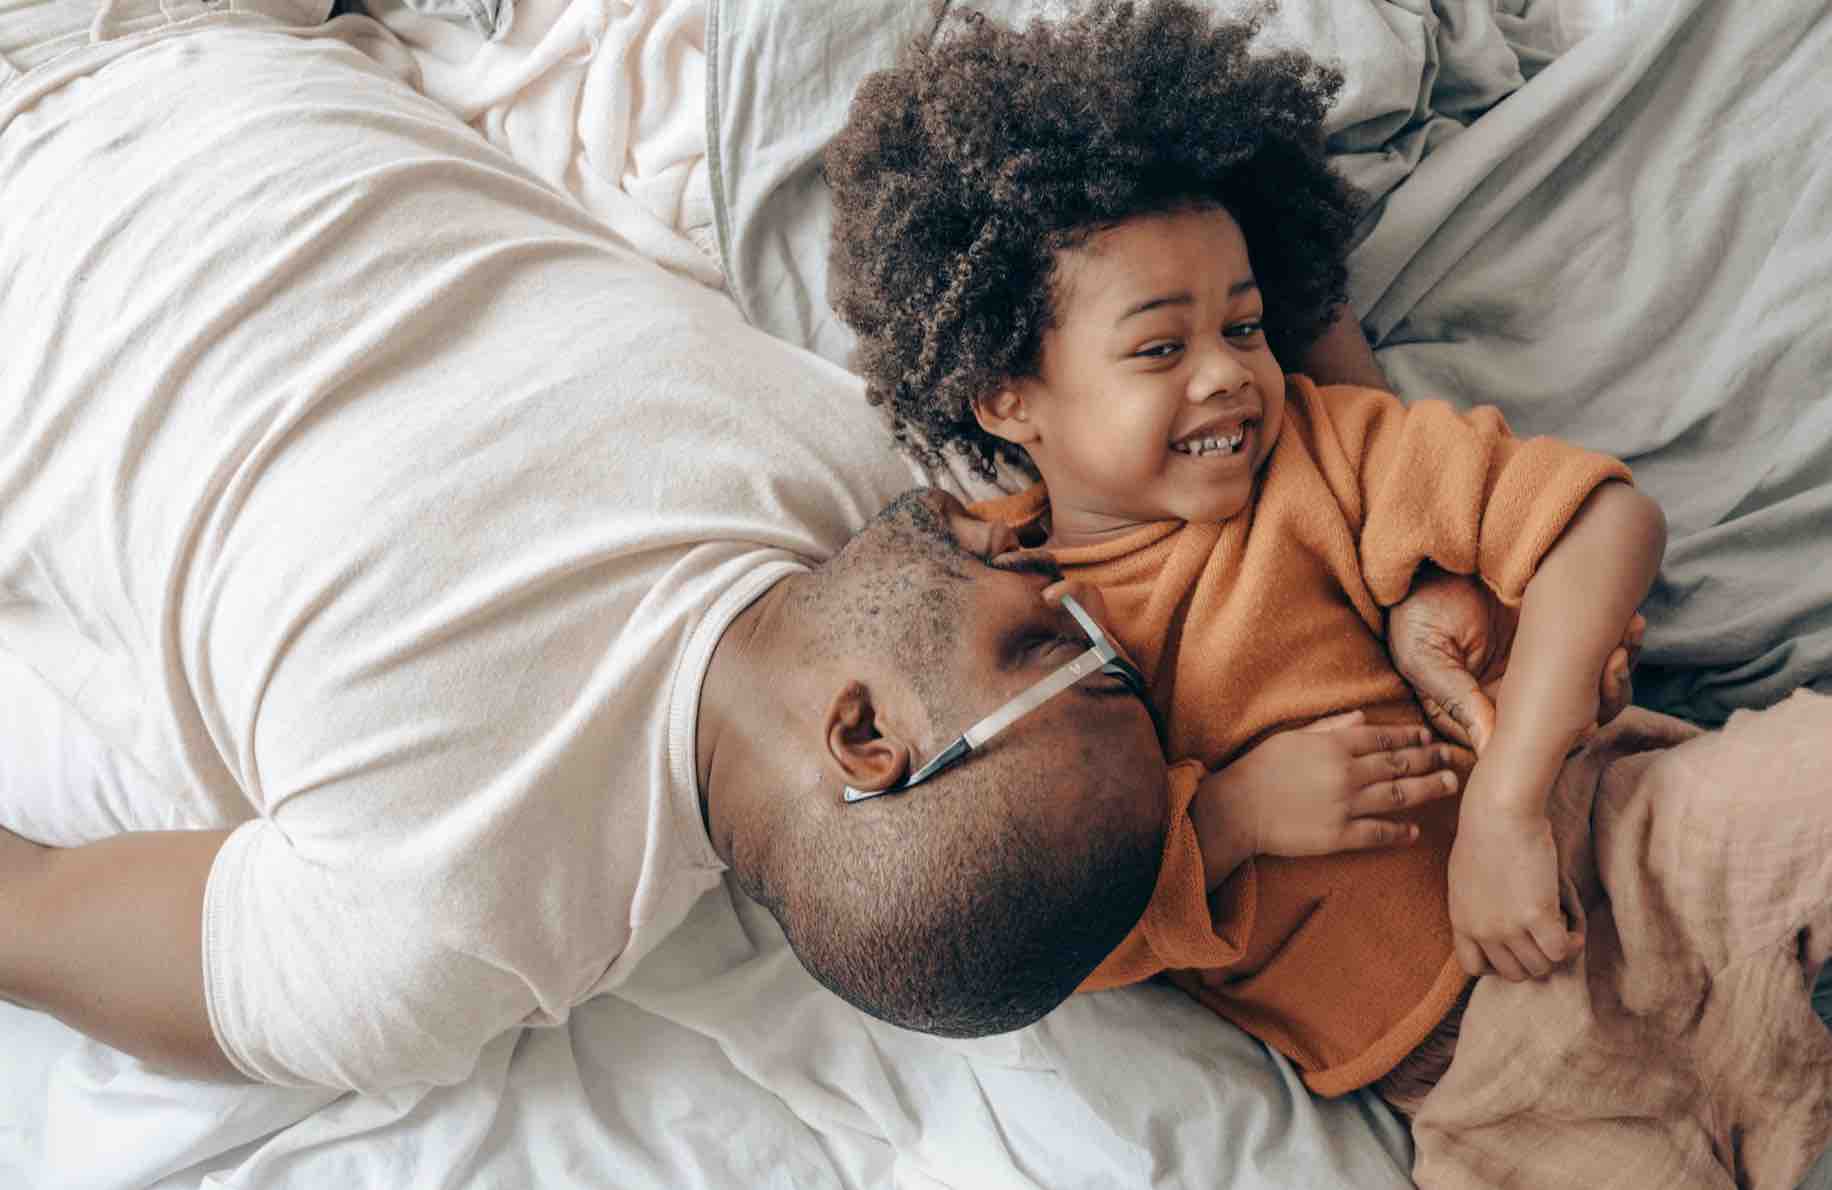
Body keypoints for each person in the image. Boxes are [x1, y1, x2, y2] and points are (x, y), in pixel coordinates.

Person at [0, 0, 1513, 1096]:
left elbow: (30, 913)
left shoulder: (433, 925)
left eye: (1052, 648)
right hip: (254, 46)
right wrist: (1409, 572)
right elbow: (1193, 237)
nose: (1056, 583)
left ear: (866, 736)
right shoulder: (879, 491)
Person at [823, 1, 1832, 1184]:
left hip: (1631, 847)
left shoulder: (1319, 450)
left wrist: (1506, 803)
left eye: (1245, 326)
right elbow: (1010, 925)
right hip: (1491, 1080)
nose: (1224, 376)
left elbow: (1603, 523)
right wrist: (1229, 817)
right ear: (1005, 398)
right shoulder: (1000, 617)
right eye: (1157, 348)